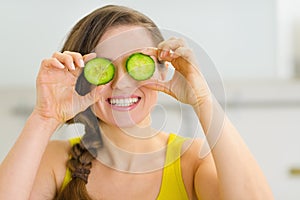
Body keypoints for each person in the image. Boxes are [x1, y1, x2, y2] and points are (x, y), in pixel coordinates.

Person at [0, 4, 274, 200]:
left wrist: (203, 99)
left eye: (136, 65)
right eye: (103, 69)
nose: (120, 83)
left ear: (163, 69)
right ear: (81, 78)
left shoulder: (194, 162)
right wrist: (45, 116)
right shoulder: (55, 161)